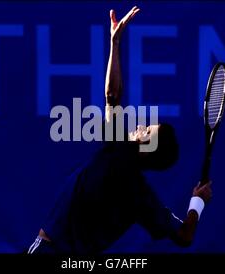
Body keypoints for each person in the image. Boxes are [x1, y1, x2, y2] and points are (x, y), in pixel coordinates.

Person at [27, 6, 212, 254]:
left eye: (146, 130)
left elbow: (112, 95)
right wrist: (197, 202)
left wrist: (115, 42)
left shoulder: (119, 152)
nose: (139, 126)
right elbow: (184, 236)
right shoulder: (141, 197)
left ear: (146, 150)